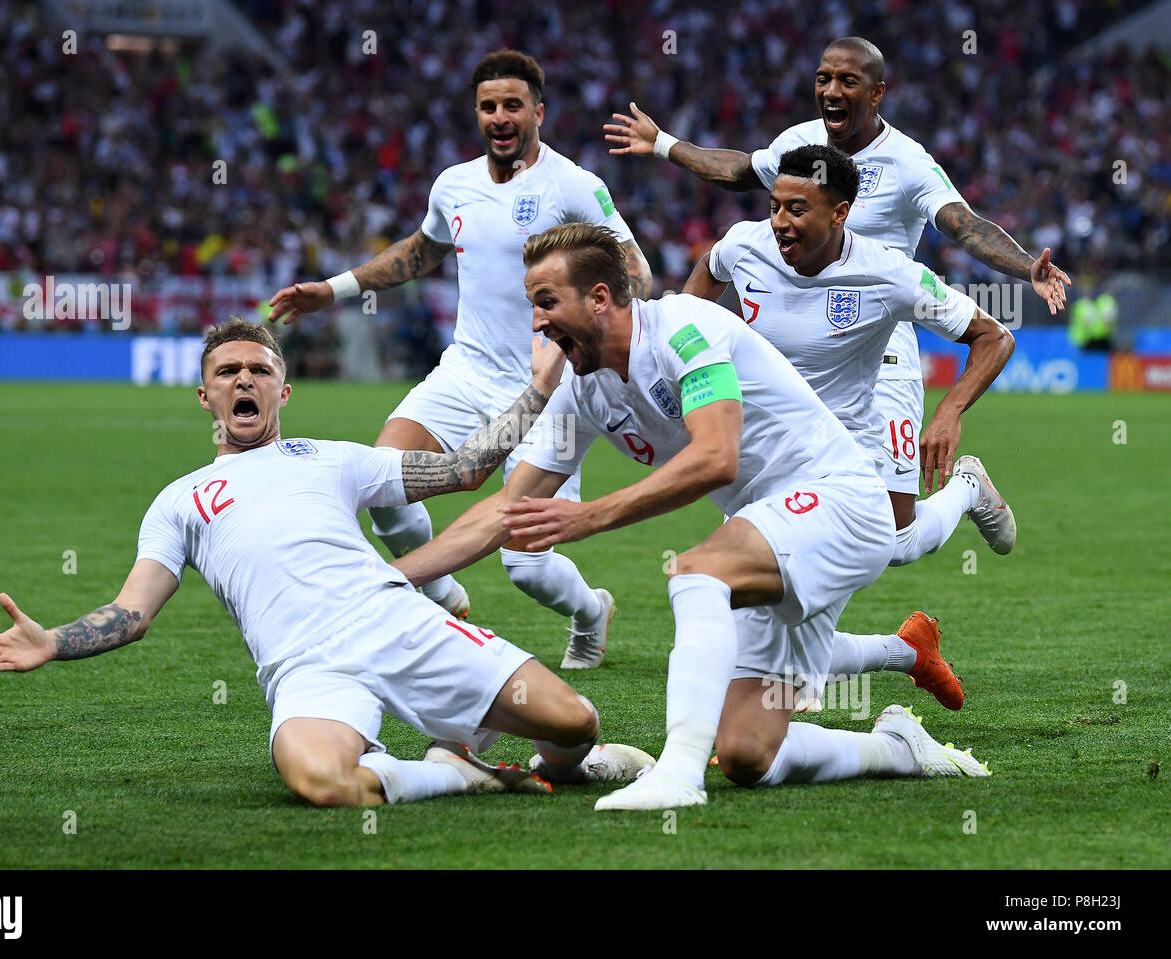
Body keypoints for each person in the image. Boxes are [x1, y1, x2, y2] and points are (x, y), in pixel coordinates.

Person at [394, 224, 990, 811]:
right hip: (774, 528)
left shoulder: (682, 328)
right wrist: (394, 578)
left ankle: (678, 773)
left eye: (546, 302)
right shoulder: (584, 389)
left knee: (697, 572)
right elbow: (507, 508)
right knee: (749, 755)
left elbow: (716, 456)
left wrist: (588, 517)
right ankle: (898, 749)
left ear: (600, 298)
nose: (536, 323)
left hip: (838, 500)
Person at [0, 318, 653, 808]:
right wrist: (53, 641)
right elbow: (133, 612)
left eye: (259, 369)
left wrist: (537, 391)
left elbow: (465, 469)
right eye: (227, 372)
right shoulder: (179, 501)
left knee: (572, 719)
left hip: (391, 617)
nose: (244, 380)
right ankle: (454, 772)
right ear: (207, 396)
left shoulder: (332, 456)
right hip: (304, 665)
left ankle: (572, 765)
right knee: (317, 780)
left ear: (282, 391)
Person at [605, 35, 1066, 554]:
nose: (832, 90)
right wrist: (664, 143)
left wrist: (1027, 266)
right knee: (780, 518)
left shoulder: (907, 163)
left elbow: (962, 224)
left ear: (876, 93)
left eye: (848, 81)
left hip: (880, 343)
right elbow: (738, 172)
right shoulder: (797, 146)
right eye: (824, 78)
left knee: (892, 538)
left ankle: (966, 488)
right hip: (792, 343)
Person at [268, 49, 653, 670]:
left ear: (538, 112)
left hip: (548, 389)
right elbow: (418, 254)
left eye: (513, 106)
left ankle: (590, 611)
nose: (500, 117)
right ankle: (441, 592)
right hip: (465, 371)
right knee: (385, 486)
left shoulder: (577, 186)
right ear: (477, 114)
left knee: (524, 562)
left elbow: (639, 275)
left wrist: (579, 336)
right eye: (488, 106)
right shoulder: (455, 184)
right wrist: (333, 289)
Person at [683, 144, 1018, 709]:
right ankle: (904, 653)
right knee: (761, 613)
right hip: (763, 453)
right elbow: (705, 279)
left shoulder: (888, 274)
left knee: (889, 544)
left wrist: (948, 411)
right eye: (774, 207)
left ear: (840, 213)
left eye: (797, 210)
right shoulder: (744, 246)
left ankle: (965, 488)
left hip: (843, 457)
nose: (780, 224)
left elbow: (994, 336)